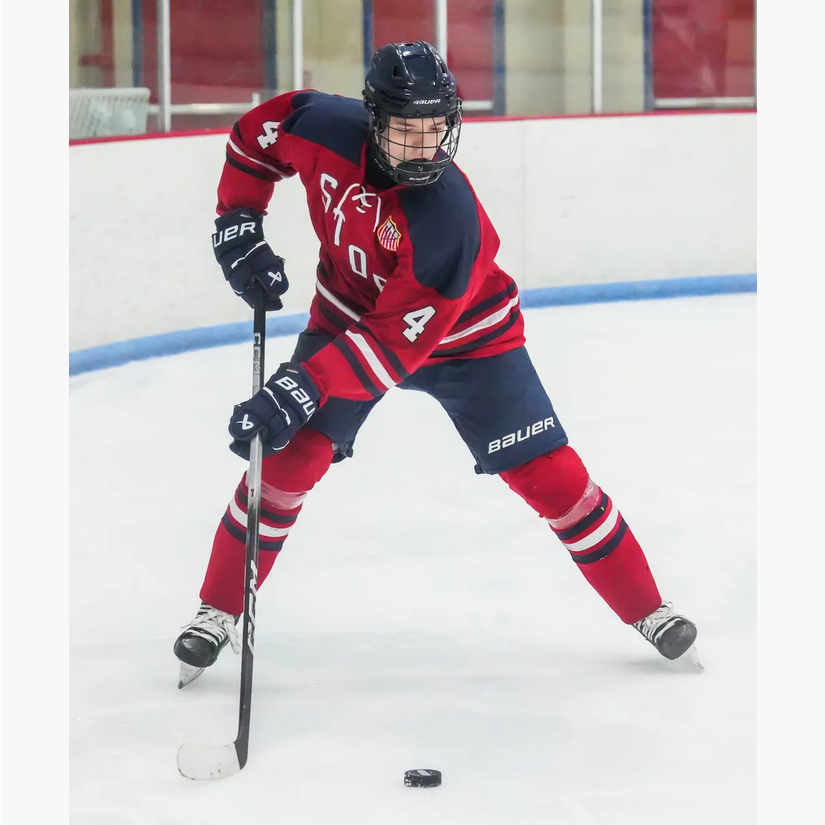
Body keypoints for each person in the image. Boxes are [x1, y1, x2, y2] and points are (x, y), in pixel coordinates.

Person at [173, 41, 697, 688]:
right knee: (284, 461)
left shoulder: (447, 217)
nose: (424, 149)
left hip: (470, 343)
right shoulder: (318, 126)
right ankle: (217, 609)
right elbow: (254, 140)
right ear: (372, 121)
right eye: (405, 131)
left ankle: (649, 609)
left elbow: (392, 346)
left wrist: (302, 385)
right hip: (348, 315)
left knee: (552, 478)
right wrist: (239, 220)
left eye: (435, 130)